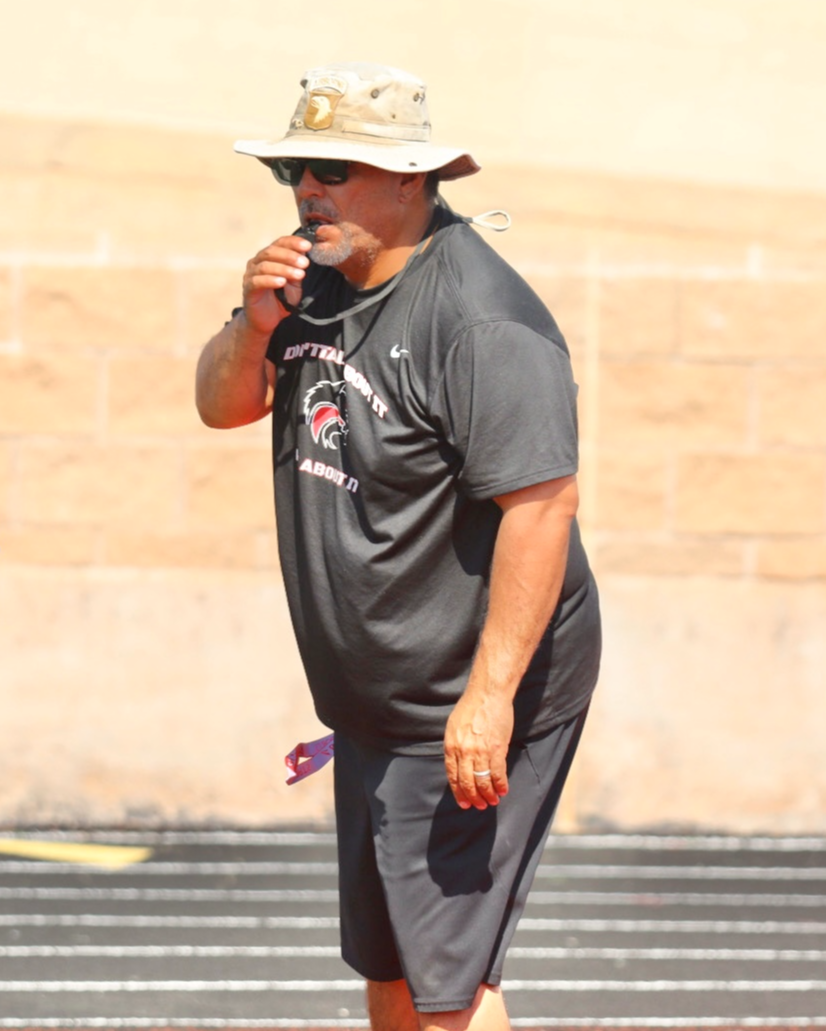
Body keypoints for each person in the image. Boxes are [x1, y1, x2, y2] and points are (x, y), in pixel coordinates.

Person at [195, 61, 601, 1031]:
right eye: (294, 169)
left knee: (452, 987)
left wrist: (488, 701)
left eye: (333, 168)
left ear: (413, 177)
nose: (307, 190)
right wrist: (251, 326)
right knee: (388, 965)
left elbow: (542, 507)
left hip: (462, 692)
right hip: (374, 698)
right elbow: (221, 405)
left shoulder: (481, 320)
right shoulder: (306, 279)